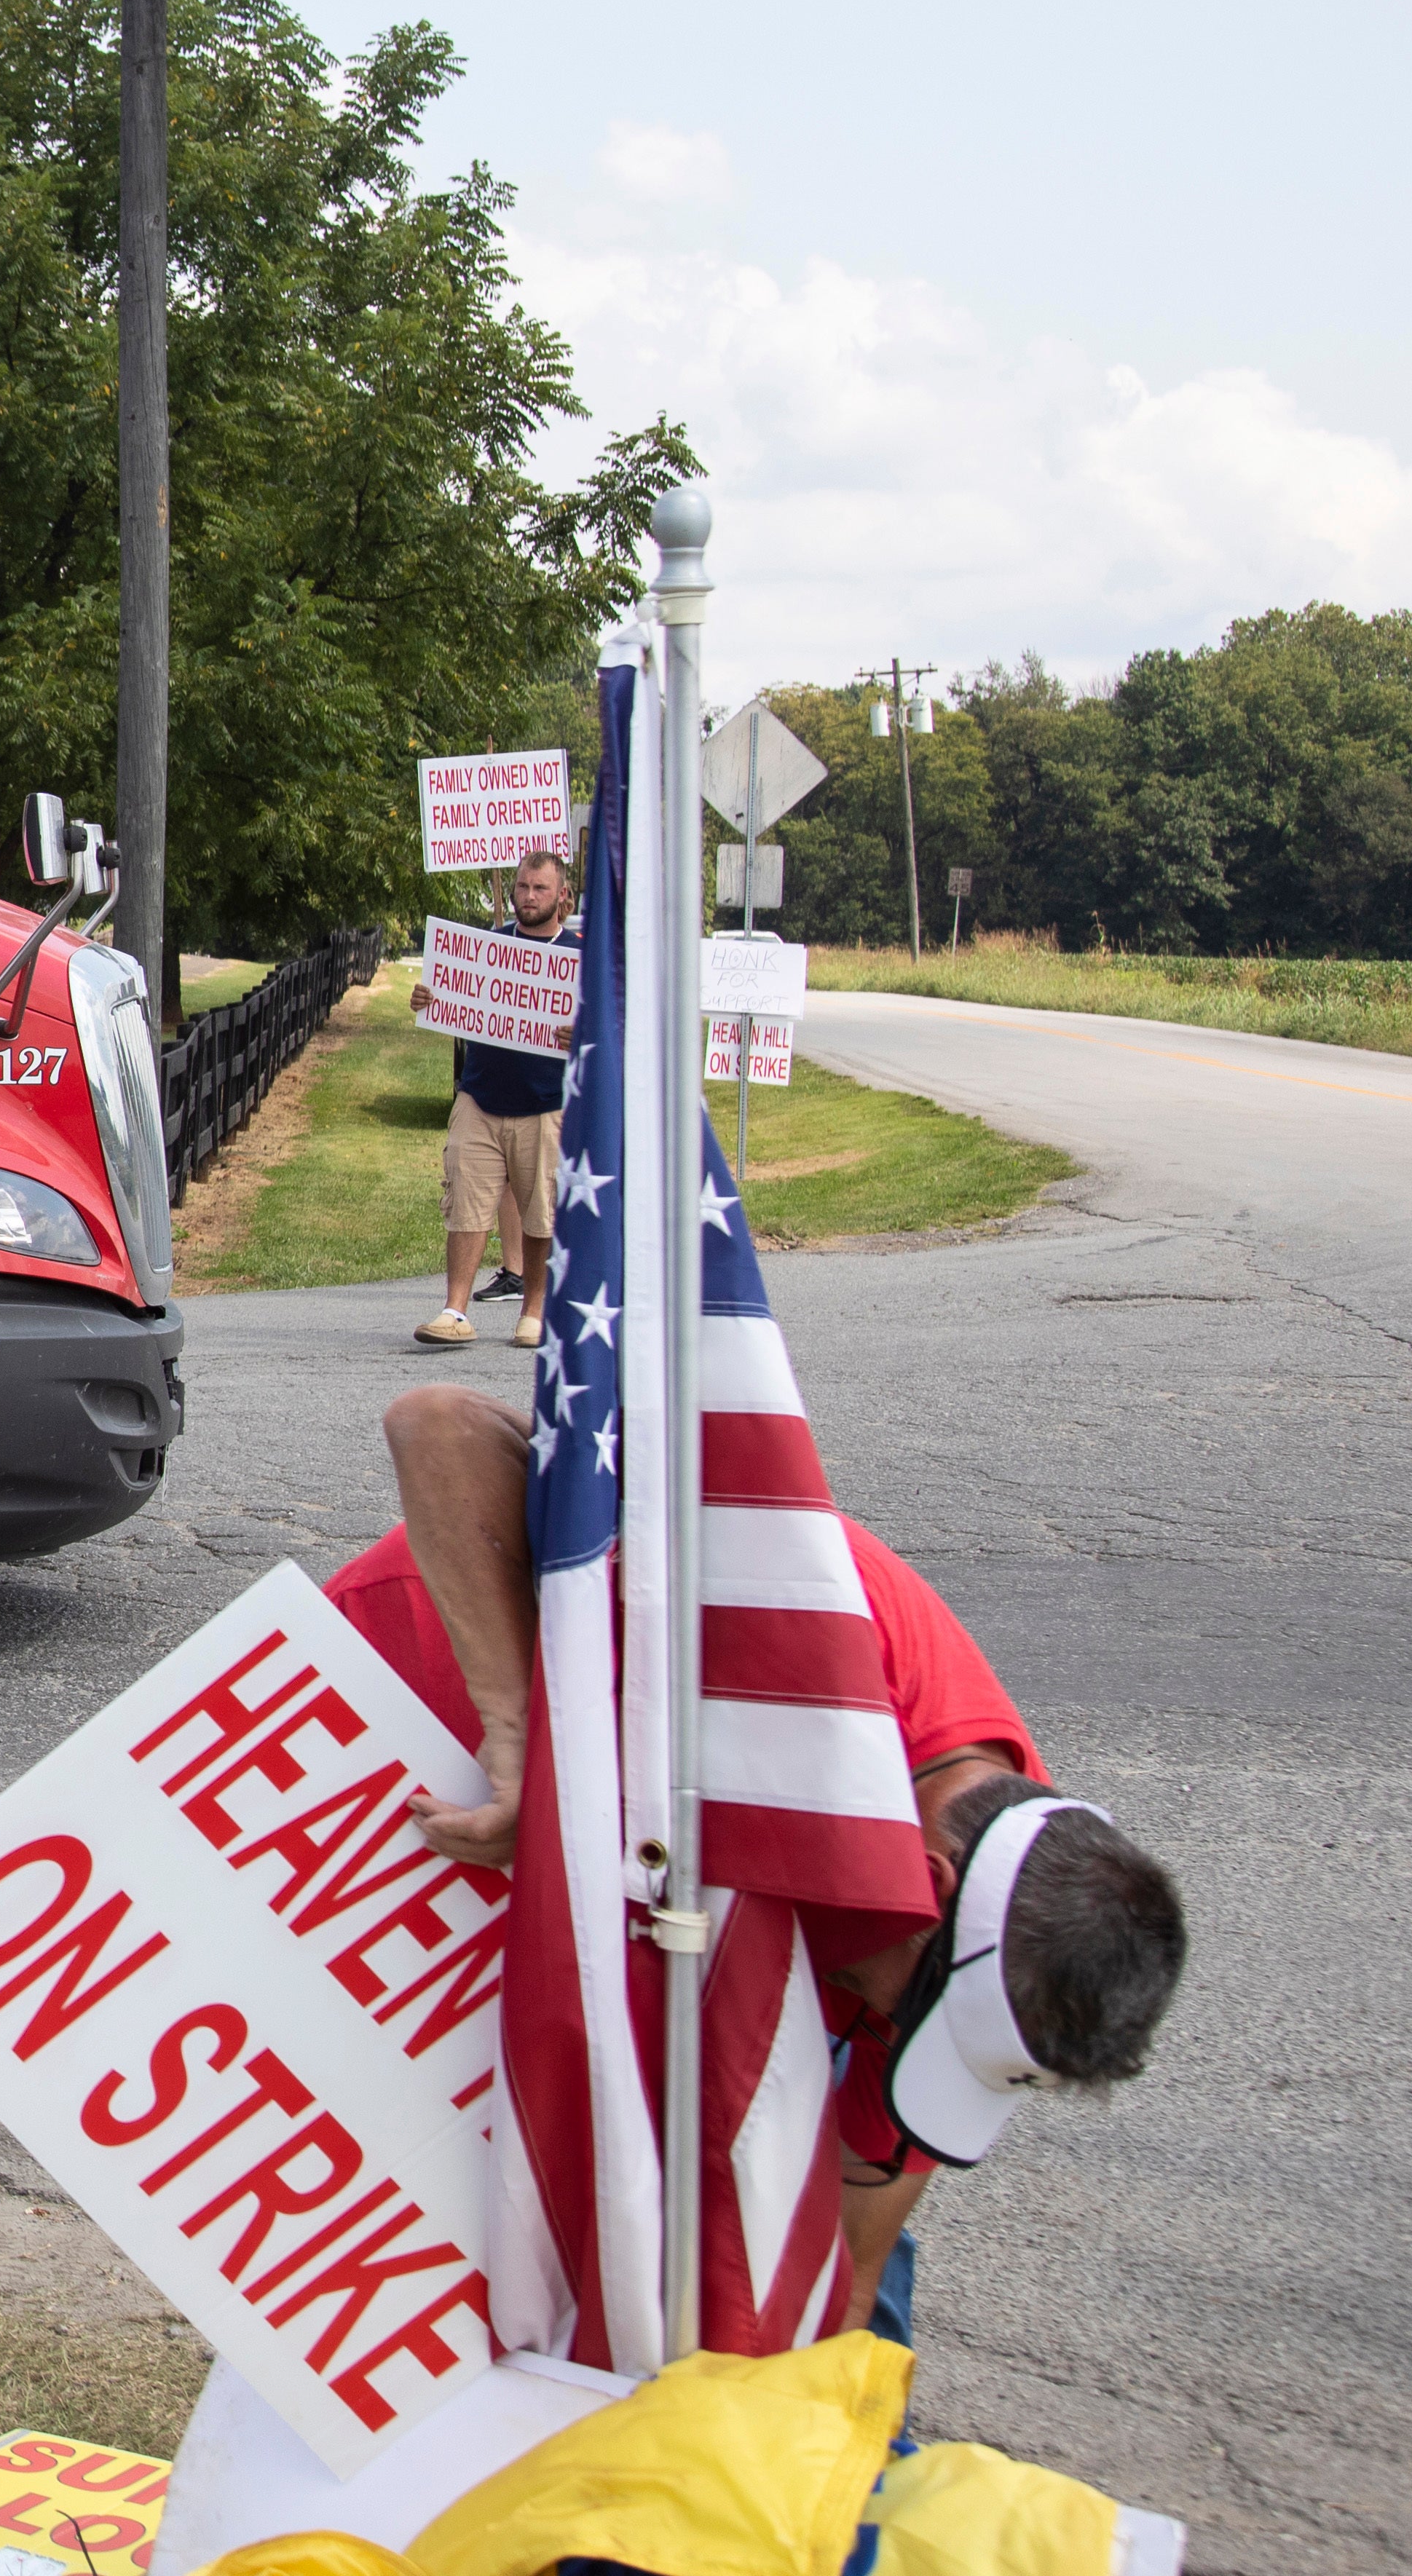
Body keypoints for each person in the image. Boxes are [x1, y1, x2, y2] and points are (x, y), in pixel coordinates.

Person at [337, 1383, 1187, 2336]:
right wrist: (526, 1735)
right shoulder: (796, 1633)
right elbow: (438, 1425)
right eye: (908, 2023)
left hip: (605, 1892)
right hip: (387, 1748)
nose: (883, 2038)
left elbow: (851, 2260)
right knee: (419, 2243)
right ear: (926, 1889)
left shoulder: (992, 1924)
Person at [419, 848, 578, 1351]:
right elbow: (451, 1000)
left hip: (547, 1103)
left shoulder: (579, 959)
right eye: (523, 887)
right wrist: (428, 999)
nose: (529, 897)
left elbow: (614, 1029)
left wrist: (586, 1034)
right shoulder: (483, 950)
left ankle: (534, 1311)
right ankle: (455, 1309)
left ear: (561, 896)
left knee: (542, 1212)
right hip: (481, 1098)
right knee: (464, 1201)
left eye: (540, 889)